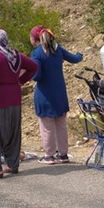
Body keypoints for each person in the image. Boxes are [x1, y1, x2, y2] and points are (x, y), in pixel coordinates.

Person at [0, 29, 38, 180]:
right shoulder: (14, 54)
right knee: (12, 133)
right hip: (13, 97)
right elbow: (33, 67)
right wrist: (19, 81)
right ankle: (12, 164)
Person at [29, 25, 83, 164]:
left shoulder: (37, 53)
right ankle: (63, 154)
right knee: (61, 125)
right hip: (60, 94)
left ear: (34, 39)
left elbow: (36, 75)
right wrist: (80, 54)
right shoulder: (57, 49)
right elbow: (75, 58)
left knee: (47, 127)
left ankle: (49, 155)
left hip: (45, 95)